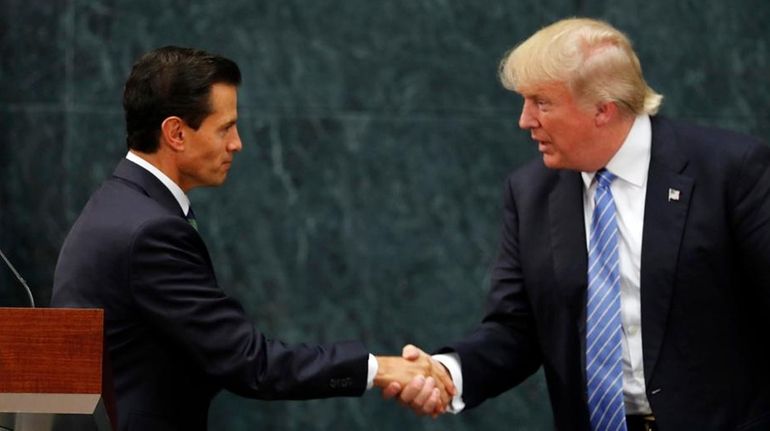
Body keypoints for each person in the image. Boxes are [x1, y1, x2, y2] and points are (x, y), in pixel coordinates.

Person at [386, 17, 770, 431]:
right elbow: (517, 329)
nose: (525, 120)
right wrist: (448, 373)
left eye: (541, 103)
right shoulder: (530, 192)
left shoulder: (731, 172)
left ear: (602, 109)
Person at [51, 46, 454, 431]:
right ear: (175, 133)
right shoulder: (150, 231)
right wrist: (378, 369)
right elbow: (249, 364)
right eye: (225, 127)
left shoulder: (121, 205)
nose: (237, 143)